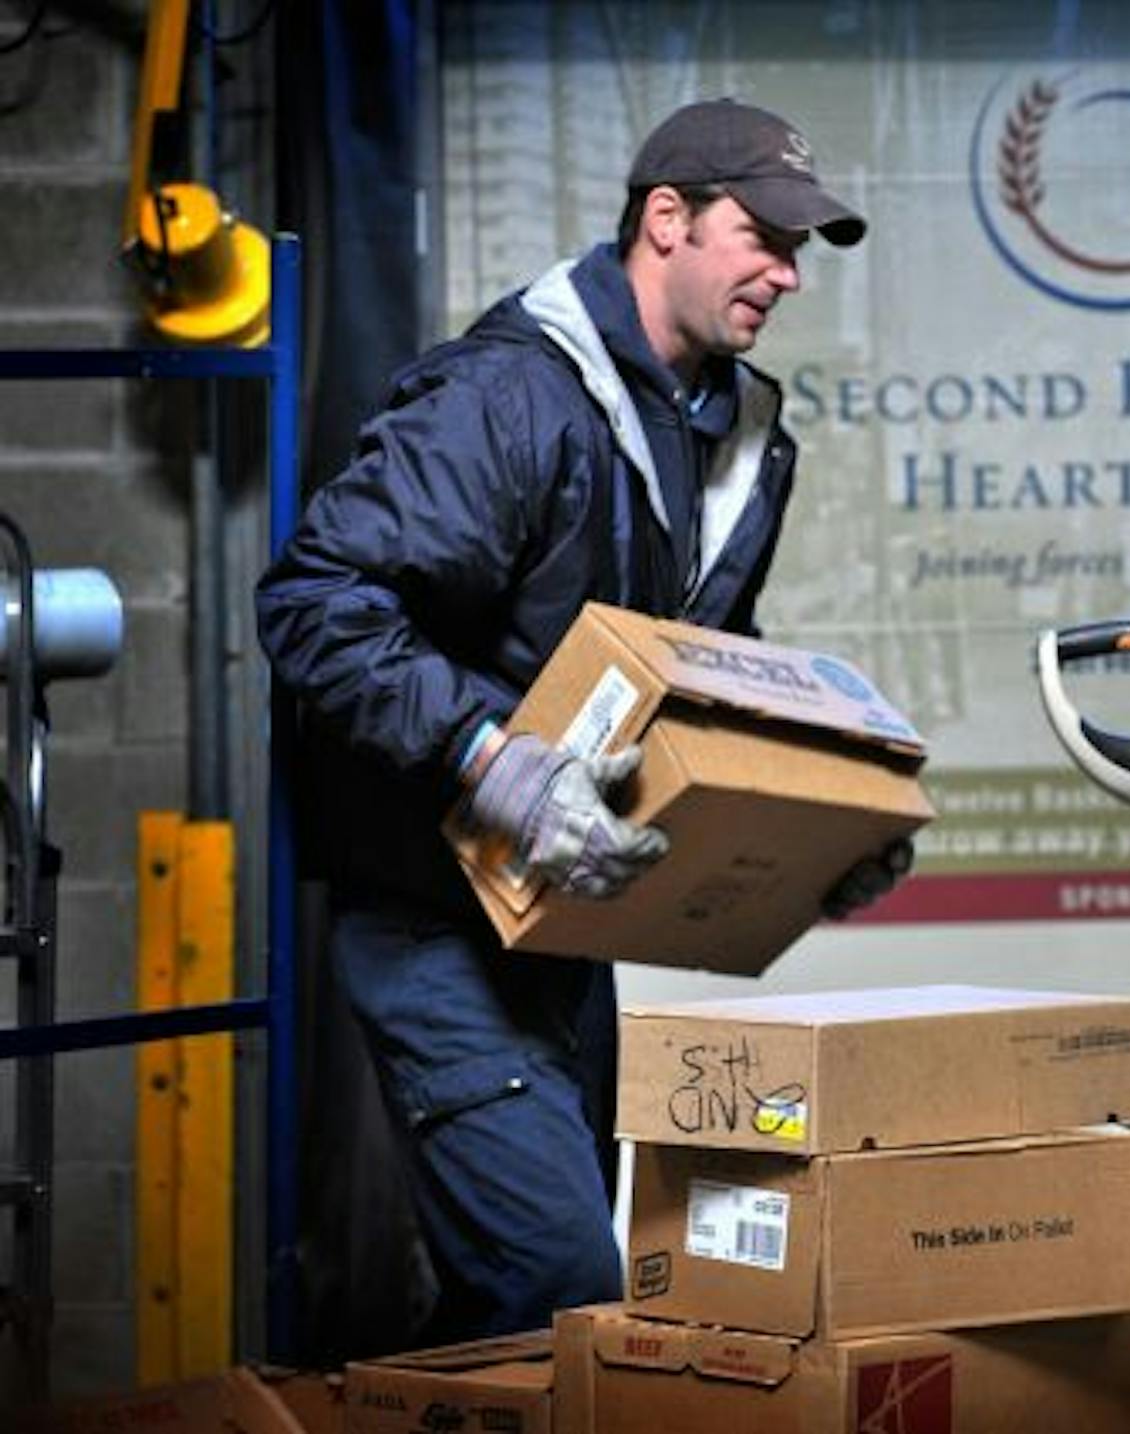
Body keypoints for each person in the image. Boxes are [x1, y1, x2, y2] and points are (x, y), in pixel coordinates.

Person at [256, 98, 908, 1341]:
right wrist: (490, 762)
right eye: (763, 236)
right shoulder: (510, 399)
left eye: (801, 251)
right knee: (562, 1292)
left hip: (562, 932)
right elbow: (316, 601)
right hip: (435, 929)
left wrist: (821, 822)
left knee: (529, 1315)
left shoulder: (738, 437)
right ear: (666, 220)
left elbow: (707, 676)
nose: (786, 273)